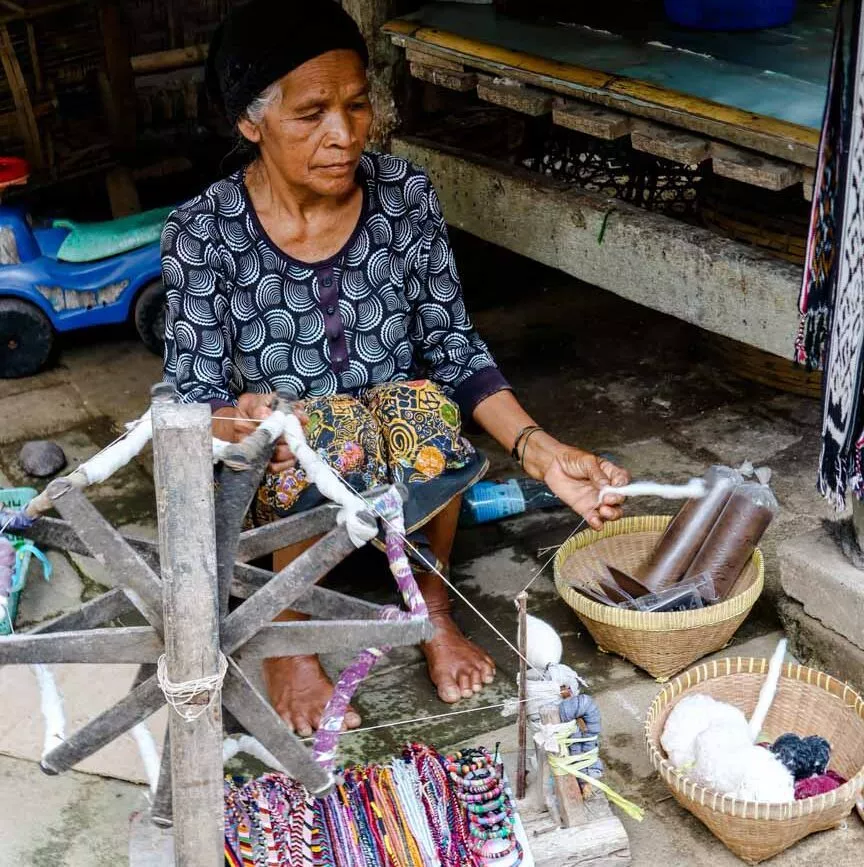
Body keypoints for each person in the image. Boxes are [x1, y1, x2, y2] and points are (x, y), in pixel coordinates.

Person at [162, 0, 630, 737]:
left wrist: (541, 452)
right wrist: (242, 417)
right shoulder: (202, 233)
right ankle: (288, 635)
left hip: (396, 463)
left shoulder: (404, 196)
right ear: (250, 123)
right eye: (311, 113)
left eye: (356, 105)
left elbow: (455, 347)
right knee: (318, 423)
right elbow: (195, 398)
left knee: (425, 402)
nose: (344, 134)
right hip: (282, 479)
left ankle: (430, 608)